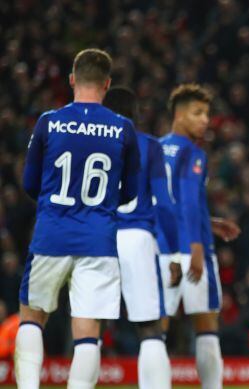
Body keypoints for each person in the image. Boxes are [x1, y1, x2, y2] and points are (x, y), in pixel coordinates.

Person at [15, 48, 140, 389]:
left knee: (32, 317)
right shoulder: (123, 128)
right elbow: (130, 192)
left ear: (72, 79)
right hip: (98, 241)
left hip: (51, 235)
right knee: (87, 332)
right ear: (107, 84)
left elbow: (29, 183)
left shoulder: (48, 122)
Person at [154, 84, 240, 389]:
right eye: (197, 112)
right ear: (178, 114)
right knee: (206, 324)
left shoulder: (154, 148)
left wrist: (211, 222)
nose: (205, 120)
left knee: (156, 330)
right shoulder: (194, 152)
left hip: (160, 247)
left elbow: (169, 202)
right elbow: (189, 200)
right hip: (191, 249)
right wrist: (197, 247)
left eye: (207, 113)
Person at [103, 86, 178, 389]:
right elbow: (164, 204)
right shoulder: (150, 146)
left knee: (88, 325)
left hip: (97, 236)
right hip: (137, 236)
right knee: (149, 328)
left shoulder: (91, 146)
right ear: (136, 113)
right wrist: (171, 254)